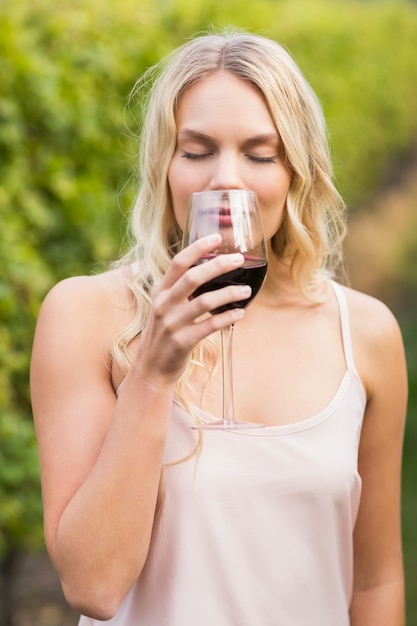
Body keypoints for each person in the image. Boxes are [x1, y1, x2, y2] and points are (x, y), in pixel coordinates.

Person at [30, 28, 408, 626]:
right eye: (198, 150)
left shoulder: (365, 334)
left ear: (297, 170)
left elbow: (376, 579)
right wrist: (152, 374)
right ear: (165, 164)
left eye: (260, 154)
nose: (225, 179)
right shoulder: (85, 317)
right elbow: (93, 587)